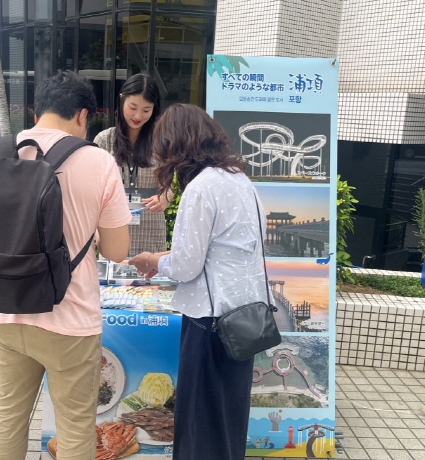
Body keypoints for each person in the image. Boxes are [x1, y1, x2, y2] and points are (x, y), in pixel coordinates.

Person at [0, 71, 131, 460]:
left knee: (9, 412)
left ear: (37, 110)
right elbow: (117, 251)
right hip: (70, 317)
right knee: (75, 424)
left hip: (8, 309)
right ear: (82, 115)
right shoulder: (98, 161)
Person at [129, 104, 268, 460]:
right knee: (226, 417)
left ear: (176, 145)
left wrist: (153, 260)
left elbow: (187, 266)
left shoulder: (201, 188)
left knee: (199, 424)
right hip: (244, 319)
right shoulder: (240, 180)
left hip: (208, 322)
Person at [94, 73, 170, 257]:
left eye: (146, 110)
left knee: (150, 283)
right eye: (133, 107)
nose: (138, 116)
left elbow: (168, 185)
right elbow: (93, 190)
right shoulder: (104, 140)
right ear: (122, 100)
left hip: (150, 224)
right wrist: (96, 231)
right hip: (114, 225)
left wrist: (165, 198)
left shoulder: (161, 142)